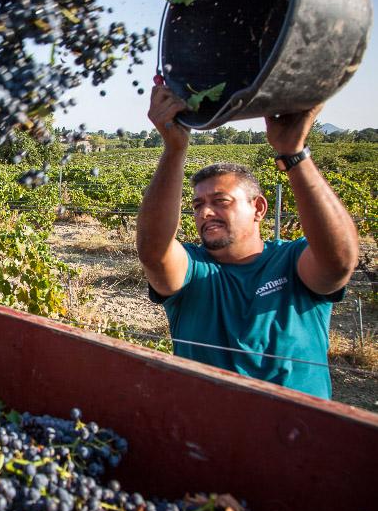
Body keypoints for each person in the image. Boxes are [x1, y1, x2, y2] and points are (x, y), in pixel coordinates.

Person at [136, 83, 359, 399]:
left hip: (301, 436)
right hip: (211, 436)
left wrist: (293, 153)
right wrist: (174, 149)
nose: (205, 212)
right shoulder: (194, 271)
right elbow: (153, 252)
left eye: (221, 200)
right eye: (198, 205)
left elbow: (339, 261)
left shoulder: (292, 262)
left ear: (258, 208)